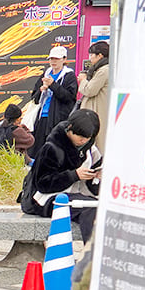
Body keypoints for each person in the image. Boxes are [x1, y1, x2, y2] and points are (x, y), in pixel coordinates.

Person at [25, 108, 100, 240]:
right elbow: (42, 184)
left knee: (100, 208)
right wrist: (74, 175)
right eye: (80, 137)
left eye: (87, 138)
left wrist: (96, 177)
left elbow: (93, 188)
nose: (83, 141)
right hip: (48, 199)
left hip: (77, 196)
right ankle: (92, 255)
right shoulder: (51, 148)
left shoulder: (91, 150)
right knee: (91, 210)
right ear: (69, 129)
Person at [30, 45, 79, 154]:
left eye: (57, 59)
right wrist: (41, 90)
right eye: (51, 59)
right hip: (42, 116)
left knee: (55, 148)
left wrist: (53, 85)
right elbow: (34, 96)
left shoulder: (69, 75)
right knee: (38, 148)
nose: (53, 61)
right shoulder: (46, 74)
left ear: (64, 59)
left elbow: (69, 97)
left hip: (59, 118)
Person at [79, 42, 111, 156]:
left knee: (99, 143)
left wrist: (83, 80)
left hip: (99, 111)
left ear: (100, 55)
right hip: (96, 110)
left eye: (91, 55)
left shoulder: (104, 70)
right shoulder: (101, 69)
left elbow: (89, 90)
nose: (90, 58)